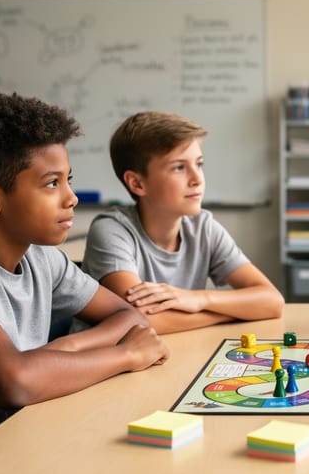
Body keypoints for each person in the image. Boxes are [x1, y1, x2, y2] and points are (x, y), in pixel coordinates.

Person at [0, 92, 170, 474]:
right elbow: (13, 384)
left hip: (12, 440)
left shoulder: (42, 257)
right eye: (51, 183)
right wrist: (127, 354)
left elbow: (129, 316)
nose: (71, 197)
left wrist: (50, 355)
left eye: (68, 180)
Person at [80, 111, 283, 334]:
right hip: (105, 363)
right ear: (137, 183)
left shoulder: (203, 227)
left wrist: (199, 298)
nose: (197, 179)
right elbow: (140, 321)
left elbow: (272, 300)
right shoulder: (111, 230)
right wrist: (230, 312)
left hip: (172, 351)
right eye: (179, 167)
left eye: (199, 163)